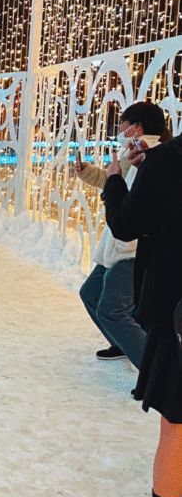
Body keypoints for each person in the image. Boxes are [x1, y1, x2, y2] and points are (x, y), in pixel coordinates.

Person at [102, 124, 182, 497]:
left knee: (177, 428)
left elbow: (125, 224)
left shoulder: (168, 162)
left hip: (178, 317)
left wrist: (116, 180)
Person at [74, 102, 170, 366]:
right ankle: (125, 343)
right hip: (120, 242)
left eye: (122, 124)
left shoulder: (151, 154)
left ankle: (156, 372)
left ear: (136, 127)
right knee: (91, 293)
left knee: (112, 310)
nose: (119, 129)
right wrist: (88, 173)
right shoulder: (132, 151)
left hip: (135, 247)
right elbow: (113, 182)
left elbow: (144, 199)